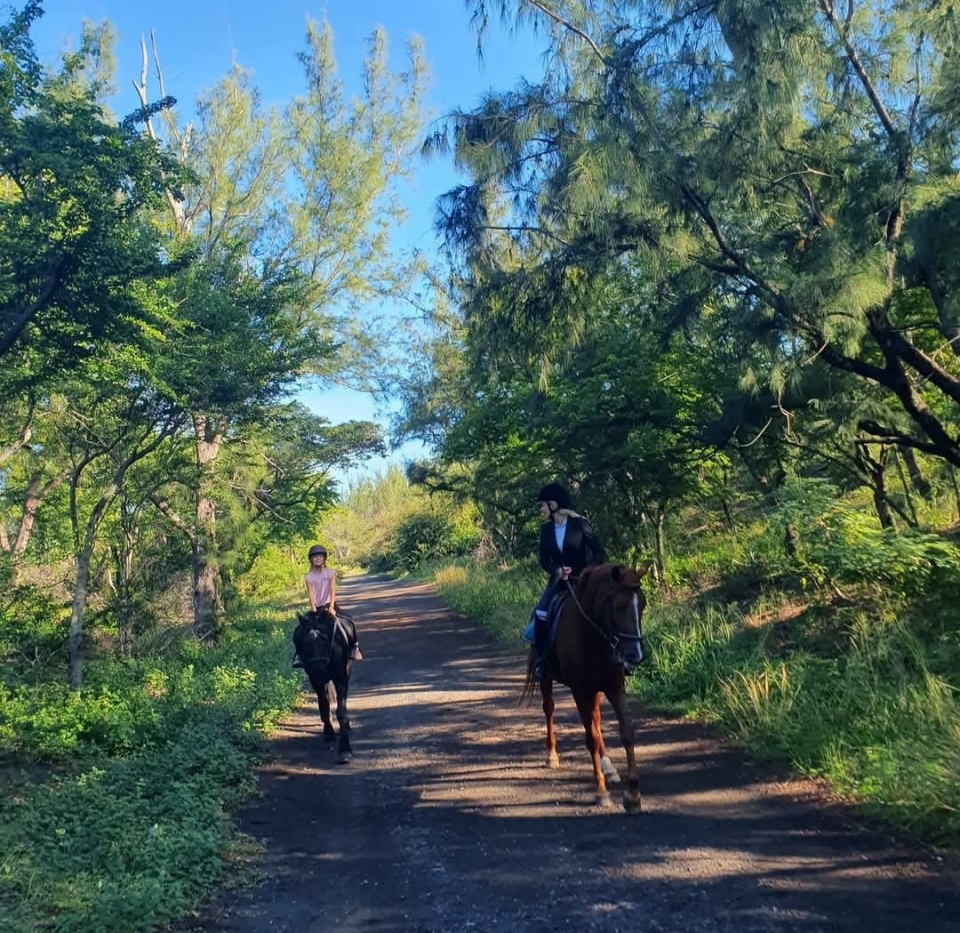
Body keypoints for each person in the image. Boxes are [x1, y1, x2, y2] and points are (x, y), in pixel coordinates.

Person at [530, 482, 606, 681]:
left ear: (553, 504)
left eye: (543, 505)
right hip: (559, 582)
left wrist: (587, 571)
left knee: (607, 609)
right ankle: (542, 660)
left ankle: (619, 658)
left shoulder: (581, 524)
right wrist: (557, 570)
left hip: (584, 580)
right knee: (540, 612)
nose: (541, 509)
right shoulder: (546, 530)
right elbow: (544, 560)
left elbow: (599, 552)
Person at [293, 544, 362, 668]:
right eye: (315, 556)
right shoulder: (309, 577)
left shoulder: (330, 573)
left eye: (320, 556)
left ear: (324, 558)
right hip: (317, 608)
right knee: (299, 630)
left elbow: (332, 590)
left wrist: (331, 607)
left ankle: (354, 647)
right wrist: (313, 611)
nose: (318, 558)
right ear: (311, 559)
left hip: (330, 605)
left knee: (348, 620)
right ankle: (299, 655)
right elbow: (311, 595)